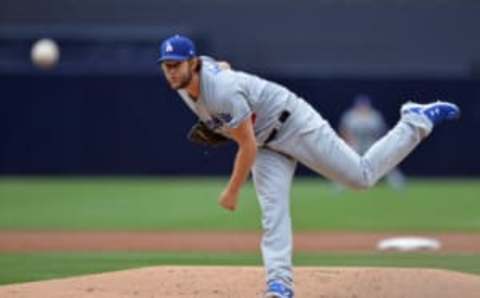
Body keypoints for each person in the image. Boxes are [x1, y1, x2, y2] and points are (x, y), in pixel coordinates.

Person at [157, 34, 460, 298]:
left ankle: (414, 121)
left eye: (176, 64)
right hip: (266, 145)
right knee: (272, 213)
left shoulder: (221, 91)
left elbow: (245, 144)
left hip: (293, 123)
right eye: (166, 66)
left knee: (362, 176)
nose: (170, 72)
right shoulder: (187, 84)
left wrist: (233, 190)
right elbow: (219, 64)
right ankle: (279, 285)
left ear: (191, 63)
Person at [339, 95, 406, 190]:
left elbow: (381, 131)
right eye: (360, 106)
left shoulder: (374, 116)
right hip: (356, 143)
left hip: (371, 142)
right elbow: (345, 131)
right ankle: (339, 185)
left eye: (364, 106)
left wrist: (380, 144)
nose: (362, 108)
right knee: (346, 163)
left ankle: (397, 182)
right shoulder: (350, 116)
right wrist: (348, 142)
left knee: (385, 160)